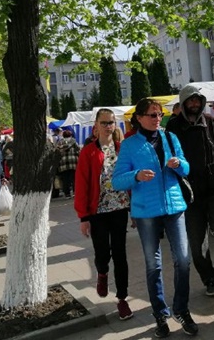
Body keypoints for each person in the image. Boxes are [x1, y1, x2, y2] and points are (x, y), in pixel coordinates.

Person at [113, 98, 198, 338]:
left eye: (160, 114)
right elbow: (117, 180)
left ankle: (181, 309)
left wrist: (178, 164)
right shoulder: (129, 145)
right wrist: (136, 175)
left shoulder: (170, 138)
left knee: (183, 260)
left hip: (175, 206)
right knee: (154, 265)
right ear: (139, 118)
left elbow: (187, 168)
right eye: (152, 115)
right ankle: (160, 314)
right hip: (146, 211)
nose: (158, 119)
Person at [166, 85, 214, 298]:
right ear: (183, 102)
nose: (195, 104)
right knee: (197, 243)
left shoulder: (211, 121)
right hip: (189, 194)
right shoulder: (173, 127)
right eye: (190, 100)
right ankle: (209, 279)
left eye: (198, 100)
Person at [74, 109, 133, 321]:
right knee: (102, 252)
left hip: (119, 209)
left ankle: (122, 298)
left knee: (120, 253)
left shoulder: (121, 149)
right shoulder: (88, 152)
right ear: (96, 126)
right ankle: (102, 272)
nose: (108, 126)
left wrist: (135, 211)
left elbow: (131, 178)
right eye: (104, 123)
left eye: (111, 123)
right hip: (97, 211)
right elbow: (81, 184)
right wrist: (83, 218)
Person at [57, 130, 80, 198]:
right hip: (73, 162)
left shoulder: (60, 142)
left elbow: (57, 152)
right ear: (70, 135)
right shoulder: (73, 141)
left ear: (63, 135)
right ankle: (75, 192)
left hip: (63, 163)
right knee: (74, 178)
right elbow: (78, 149)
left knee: (65, 179)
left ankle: (67, 194)